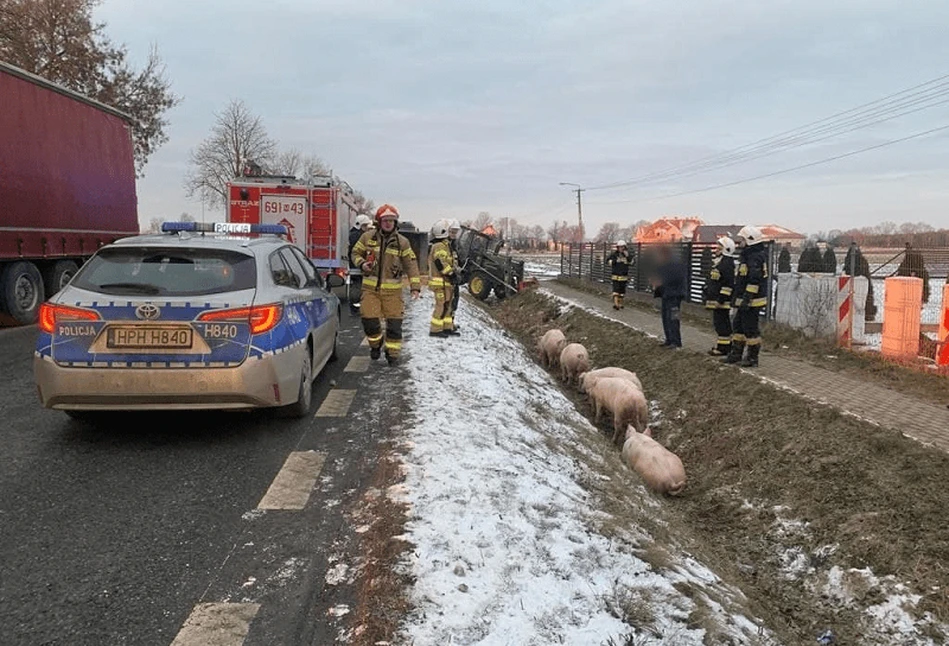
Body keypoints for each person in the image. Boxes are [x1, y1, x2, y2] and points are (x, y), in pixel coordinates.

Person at [351, 204, 421, 365]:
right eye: (385, 220)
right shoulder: (367, 238)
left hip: (393, 293)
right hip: (370, 290)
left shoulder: (402, 242)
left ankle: (393, 355)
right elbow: (355, 253)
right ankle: (375, 344)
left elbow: (411, 264)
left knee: (394, 327)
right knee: (369, 321)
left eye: (392, 220)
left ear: (396, 223)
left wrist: (415, 287)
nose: (389, 223)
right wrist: (362, 264)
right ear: (379, 222)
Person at [724, 225, 769, 367]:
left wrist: (747, 298)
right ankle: (736, 354)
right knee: (738, 326)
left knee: (750, 329)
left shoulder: (754, 257)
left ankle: (752, 358)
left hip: (752, 301)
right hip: (745, 298)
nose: (740, 242)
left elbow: (754, 280)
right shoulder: (749, 255)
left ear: (749, 240)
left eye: (742, 239)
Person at [704, 237, 737, 356]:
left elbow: (728, 284)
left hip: (722, 302)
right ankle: (724, 346)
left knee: (722, 325)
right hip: (717, 300)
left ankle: (723, 348)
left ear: (726, 249)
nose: (716, 249)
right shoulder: (719, 262)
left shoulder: (727, 264)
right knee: (719, 324)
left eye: (719, 247)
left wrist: (721, 299)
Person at [651, 246, 686, 349]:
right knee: (666, 318)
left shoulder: (675, 264)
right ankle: (669, 339)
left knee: (673, 319)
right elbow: (658, 275)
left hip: (674, 296)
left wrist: (661, 281)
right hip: (666, 295)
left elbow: (676, 278)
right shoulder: (663, 264)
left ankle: (676, 341)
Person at [428, 220, 457, 337]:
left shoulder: (445, 245)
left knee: (447, 305)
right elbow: (440, 263)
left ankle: (447, 327)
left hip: (446, 282)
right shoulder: (439, 246)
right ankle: (435, 330)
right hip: (440, 282)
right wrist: (451, 273)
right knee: (441, 305)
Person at [347, 214, 373, 314]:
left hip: (356, 265)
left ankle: (356, 307)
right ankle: (355, 309)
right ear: (361, 225)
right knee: (357, 288)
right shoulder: (358, 236)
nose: (367, 228)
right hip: (357, 267)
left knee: (357, 287)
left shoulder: (353, 234)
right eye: (365, 226)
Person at [446, 219, 463, 334]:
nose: (453, 234)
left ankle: (450, 323)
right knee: (447, 303)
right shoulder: (443, 245)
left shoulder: (455, 245)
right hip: (447, 279)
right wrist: (451, 274)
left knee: (454, 302)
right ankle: (446, 325)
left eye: (455, 232)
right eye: (452, 232)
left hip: (454, 278)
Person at [607, 240, 632, 310]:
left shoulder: (627, 255)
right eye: (620, 247)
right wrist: (615, 261)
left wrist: (627, 257)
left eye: (623, 247)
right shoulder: (614, 254)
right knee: (616, 290)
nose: (621, 249)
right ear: (617, 248)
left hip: (624, 276)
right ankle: (616, 304)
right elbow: (608, 261)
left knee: (622, 292)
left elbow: (632, 262)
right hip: (615, 276)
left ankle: (620, 303)